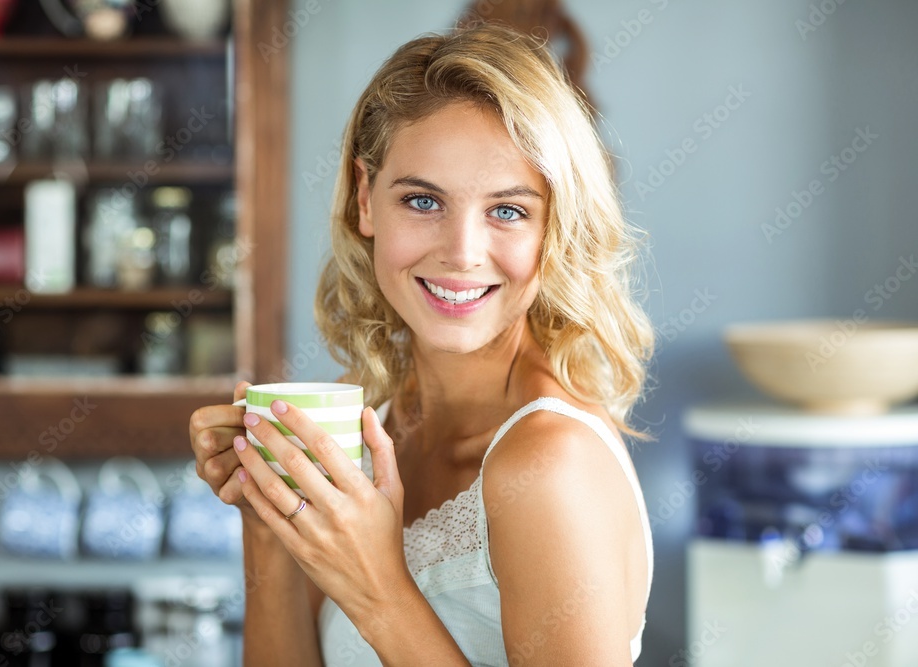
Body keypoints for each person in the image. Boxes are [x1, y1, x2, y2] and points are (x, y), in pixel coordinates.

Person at [190, 22, 654, 666]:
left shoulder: (548, 465)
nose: (461, 253)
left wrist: (378, 588)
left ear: (556, 224)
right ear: (366, 199)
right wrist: (268, 522)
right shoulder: (370, 423)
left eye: (508, 210)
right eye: (422, 201)